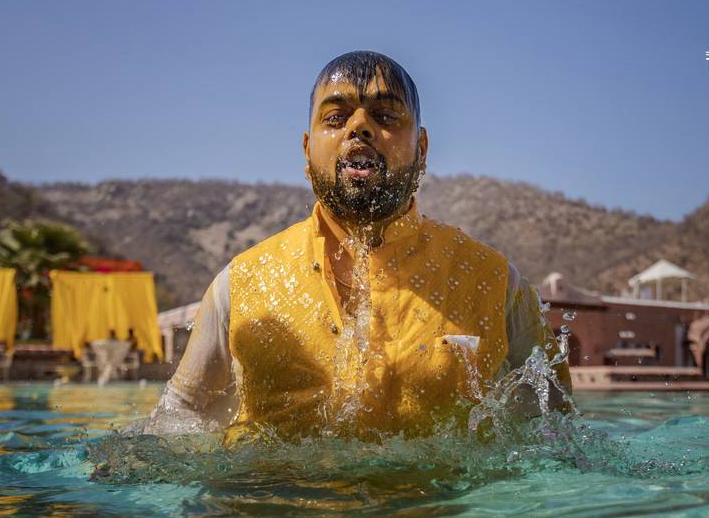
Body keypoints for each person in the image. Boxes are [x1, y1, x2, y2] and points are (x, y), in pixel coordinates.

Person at [142, 51, 572, 444]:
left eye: (385, 116)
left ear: (421, 150)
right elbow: (179, 423)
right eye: (335, 117)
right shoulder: (240, 285)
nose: (359, 127)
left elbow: (557, 435)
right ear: (308, 150)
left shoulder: (494, 282)